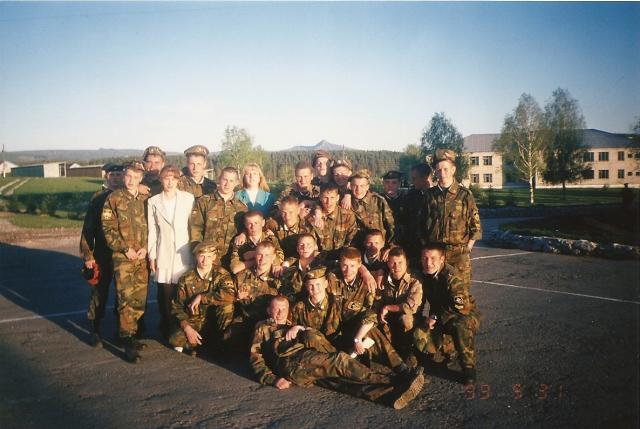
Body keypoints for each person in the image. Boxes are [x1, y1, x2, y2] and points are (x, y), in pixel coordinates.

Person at [249, 296, 426, 409]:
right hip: (293, 362)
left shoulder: (292, 323)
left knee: (340, 381)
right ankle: (398, 381)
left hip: (306, 363)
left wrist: (300, 327)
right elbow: (255, 357)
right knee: (340, 361)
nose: (280, 313)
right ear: (268, 310)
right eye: (276, 308)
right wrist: (272, 379)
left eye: (284, 308)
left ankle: (390, 396)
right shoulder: (263, 327)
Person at [101, 160, 149, 363]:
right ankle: (126, 338)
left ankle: (132, 333)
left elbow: (152, 226)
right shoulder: (114, 198)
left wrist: (146, 247)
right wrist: (124, 248)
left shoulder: (146, 198)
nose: (130, 180)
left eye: (135, 177)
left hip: (142, 257)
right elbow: (108, 228)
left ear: (141, 179)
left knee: (139, 298)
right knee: (125, 298)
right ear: (123, 176)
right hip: (123, 258)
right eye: (128, 175)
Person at [412, 243, 480, 385]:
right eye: (425, 258)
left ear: (442, 259)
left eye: (433, 258)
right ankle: (433, 354)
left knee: (460, 325)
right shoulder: (422, 272)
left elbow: (460, 307)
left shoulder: (452, 277)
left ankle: (469, 368)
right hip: (437, 314)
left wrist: (435, 317)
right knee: (419, 329)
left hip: (463, 314)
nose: (428, 263)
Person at [419, 149, 481, 289]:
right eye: (439, 170)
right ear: (435, 172)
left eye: (446, 169)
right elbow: (420, 224)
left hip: (458, 255)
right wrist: (426, 246)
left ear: (453, 170)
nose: (442, 173)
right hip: (434, 255)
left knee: (460, 294)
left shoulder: (464, 195)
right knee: (436, 292)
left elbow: (475, 226)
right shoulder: (429, 195)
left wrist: (467, 248)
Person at [147, 165, 195, 339]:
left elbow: (193, 226)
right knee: (166, 294)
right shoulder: (153, 202)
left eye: (173, 179)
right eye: (166, 178)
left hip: (184, 252)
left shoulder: (188, 199)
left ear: (178, 181)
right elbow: (153, 230)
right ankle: (168, 328)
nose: (170, 182)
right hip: (164, 252)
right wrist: (152, 255)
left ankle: (184, 330)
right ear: (161, 180)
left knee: (183, 292)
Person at [80, 163, 124, 347]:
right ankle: (95, 328)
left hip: (122, 253)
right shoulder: (98, 197)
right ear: (106, 176)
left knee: (123, 294)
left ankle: (122, 331)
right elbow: (88, 229)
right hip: (103, 252)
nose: (116, 177)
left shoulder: (127, 195)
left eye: (119, 174)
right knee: (100, 292)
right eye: (113, 174)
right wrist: (88, 255)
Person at [169, 242, 234, 356]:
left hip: (215, 319)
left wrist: (202, 297)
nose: (205, 260)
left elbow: (229, 295)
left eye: (209, 256)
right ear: (195, 256)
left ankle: (219, 342)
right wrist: (187, 328)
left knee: (227, 306)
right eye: (202, 256)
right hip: (195, 320)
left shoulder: (222, 274)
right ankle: (200, 344)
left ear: (214, 257)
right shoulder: (186, 278)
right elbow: (176, 307)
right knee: (175, 339)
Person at [214, 241, 282, 348]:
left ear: (273, 257)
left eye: (267, 255)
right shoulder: (243, 275)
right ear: (255, 255)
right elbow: (227, 294)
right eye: (259, 254)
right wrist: (237, 298)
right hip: (245, 318)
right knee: (227, 339)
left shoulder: (279, 278)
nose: (262, 259)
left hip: (268, 322)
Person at [190, 167, 247, 269]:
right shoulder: (204, 202)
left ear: (236, 183)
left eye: (231, 181)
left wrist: (243, 233)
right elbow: (195, 229)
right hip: (207, 259)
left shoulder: (241, 207)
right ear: (219, 179)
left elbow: (245, 229)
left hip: (230, 259)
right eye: (225, 179)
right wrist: (198, 253)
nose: (227, 184)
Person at [376, 248, 423, 363]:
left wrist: (387, 308)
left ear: (407, 262)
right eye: (393, 263)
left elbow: (410, 307)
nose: (396, 266)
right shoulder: (383, 278)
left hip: (410, 318)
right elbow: (377, 300)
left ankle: (411, 352)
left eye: (400, 262)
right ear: (388, 263)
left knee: (406, 319)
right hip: (388, 317)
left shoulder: (415, 279)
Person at [309, 182, 358, 263]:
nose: (329, 202)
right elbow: (310, 243)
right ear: (320, 197)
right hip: (319, 260)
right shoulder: (312, 218)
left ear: (337, 198)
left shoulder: (347, 216)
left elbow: (352, 241)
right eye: (325, 197)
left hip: (341, 259)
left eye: (332, 198)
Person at [349, 169, 396, 247]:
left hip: (378, 246)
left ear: (367, 187)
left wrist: (390, 246)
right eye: (355, 186)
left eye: (362, 186)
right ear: (350, 186)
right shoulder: (347, 202)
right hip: (356, 247)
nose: (358, 189)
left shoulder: (378, 201)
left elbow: (391, 225)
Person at [229, 210, 284, 275]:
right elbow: (234, 268)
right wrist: (258, 259)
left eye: (256, 223)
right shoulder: (239, 241)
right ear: (245, 224)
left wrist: (255, 254)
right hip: (246, 278)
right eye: (249, 224)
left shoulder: (270, 238)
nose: (253, 227)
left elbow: (280, 257)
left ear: (263, 223)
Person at [402, 163, 434, 267]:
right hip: (413, 247)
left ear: (425, 177)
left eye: (414, 178)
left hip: (433, 248)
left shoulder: (438, 195)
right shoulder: (410, 196)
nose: (412, 181)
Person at [265, 195, 313, 263]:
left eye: (291, 212)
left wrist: (288, 263)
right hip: (278, 262)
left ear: (298, 210)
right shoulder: (273, 224)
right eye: (284, 212)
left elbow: (310, 252)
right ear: (280, 211)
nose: (287, 216)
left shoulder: (307, 227)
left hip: (301, 262)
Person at [279, 233, 326, 303]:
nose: (305, 248)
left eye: (308, 244)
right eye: (301, 245)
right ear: (297, 249)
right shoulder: (289, 268)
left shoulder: (323, 265)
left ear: (315, 247)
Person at [381, 170, 406, 240]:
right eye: (387, 182)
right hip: (384, 238)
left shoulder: (406, 199)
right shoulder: (377, 200)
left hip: (403, 239)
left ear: (399, 184)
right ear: (383, 183)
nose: (390, 185)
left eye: (394, 182)